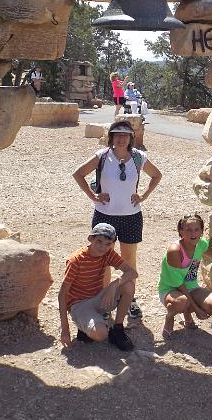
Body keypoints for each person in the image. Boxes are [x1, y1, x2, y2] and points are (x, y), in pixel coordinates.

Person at [72, 120, 162, 320]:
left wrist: (144, 196)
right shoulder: (102, 157)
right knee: (103, 261)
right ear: (111, 137)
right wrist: (93, 196)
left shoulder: (139, 158)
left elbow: (157, 175)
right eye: (117, 134)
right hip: (105, 216)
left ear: (131, 137)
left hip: (131, 216)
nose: (121, 139)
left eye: (125, 135)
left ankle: (128, 300)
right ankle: (105, 300)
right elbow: (78, 174)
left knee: (129, 261)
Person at [58, 222, 137, 351]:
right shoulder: (76, 260)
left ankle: (117, 328)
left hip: (98, 298)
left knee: (128, 285)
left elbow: (132, 272)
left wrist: (113, 285)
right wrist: (65, 329)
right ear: (91, 239)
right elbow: (62, 294)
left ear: (112, 244)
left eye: (108, 244)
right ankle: (87, 327)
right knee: (101, 335)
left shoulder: (108, 253)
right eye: (99, 242)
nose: (103, 247)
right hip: (79, 305)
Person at [158, 213, 212, 339]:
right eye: (188, 230)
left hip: (190, 287)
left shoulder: (200, 243)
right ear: (181, 232)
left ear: (202, 231)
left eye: (197, 229)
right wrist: (197, 308)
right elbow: (178, 284)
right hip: (171, 289)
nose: (193, 233)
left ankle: (186, 314)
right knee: (182, 302)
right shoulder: (174, 250)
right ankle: (170, 317)